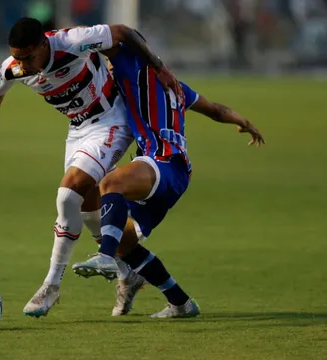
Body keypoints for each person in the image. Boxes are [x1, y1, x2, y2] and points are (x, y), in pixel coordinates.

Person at [0, 17, 181, 318]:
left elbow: (124, 33)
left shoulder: (73, 42)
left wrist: (158, 66)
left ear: (42, 45)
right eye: (17, 57)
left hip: (111, 121)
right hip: (78, 131)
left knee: (67, 195)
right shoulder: (14, 67)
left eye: (27, 57)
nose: (21, 65)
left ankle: (51, 285)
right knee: (87, 209)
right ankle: (127, 269)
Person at [72, 35, 265, 318]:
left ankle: (105, 258)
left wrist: (67, 39)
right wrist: (244, 122)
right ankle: (180, 302)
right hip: (174, 172)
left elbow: (112, 36)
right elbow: (214, 109)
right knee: (125, 244)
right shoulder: (176, 87)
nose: (110, 67)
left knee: (110, 183)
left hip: (160, 163)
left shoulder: (131, 65)